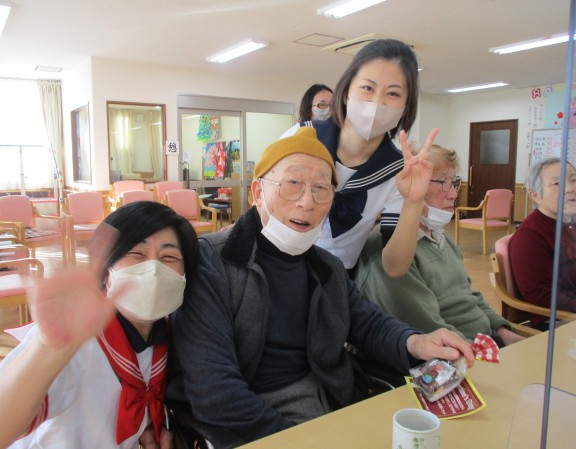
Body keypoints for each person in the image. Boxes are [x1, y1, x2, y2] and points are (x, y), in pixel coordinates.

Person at [166, 127, 474, 449]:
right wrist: (299, 439)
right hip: (255, 419)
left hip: (330, 398)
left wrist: (416, 342)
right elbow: (216, 392)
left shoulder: (325, 267)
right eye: (292, 184)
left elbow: (367, 322)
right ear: (258, 192)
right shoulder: (213, 261)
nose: (307, 202)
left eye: (321, 189)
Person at [0, 201, 199, 449]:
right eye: (136, 254)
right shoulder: (78, 339)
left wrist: (147, 425)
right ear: (107, 270)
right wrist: (48, 348)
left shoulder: (167, 336)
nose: (153, 269)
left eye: (169, 257)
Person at [282, 39, 437, 276]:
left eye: (393, 93)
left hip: (336, 279)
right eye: (367, 88)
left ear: (406, 107)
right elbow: (264, 205)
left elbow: (394, 267)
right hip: (276, 263)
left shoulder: (399, 172)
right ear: (345, 92)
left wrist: (414, 202)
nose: (377, 102)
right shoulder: (302, 136)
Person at [355, 145, 524, 347]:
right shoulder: (389, 252)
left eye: (454, 183)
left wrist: (502, 331)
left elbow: (469, 296)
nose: (453, 194)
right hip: (453, 354)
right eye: (443, 183)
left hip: (484, 343)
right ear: (405, 185)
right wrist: (481, 351)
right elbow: (428, 329)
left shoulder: (442, 237)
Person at [509, 157, 576, 329]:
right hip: (557, 322)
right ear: (536, 196)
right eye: (557, 183)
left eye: (574, 180)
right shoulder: (529, 236)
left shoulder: (571, 222)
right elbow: (541, 295)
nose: (571, 188)